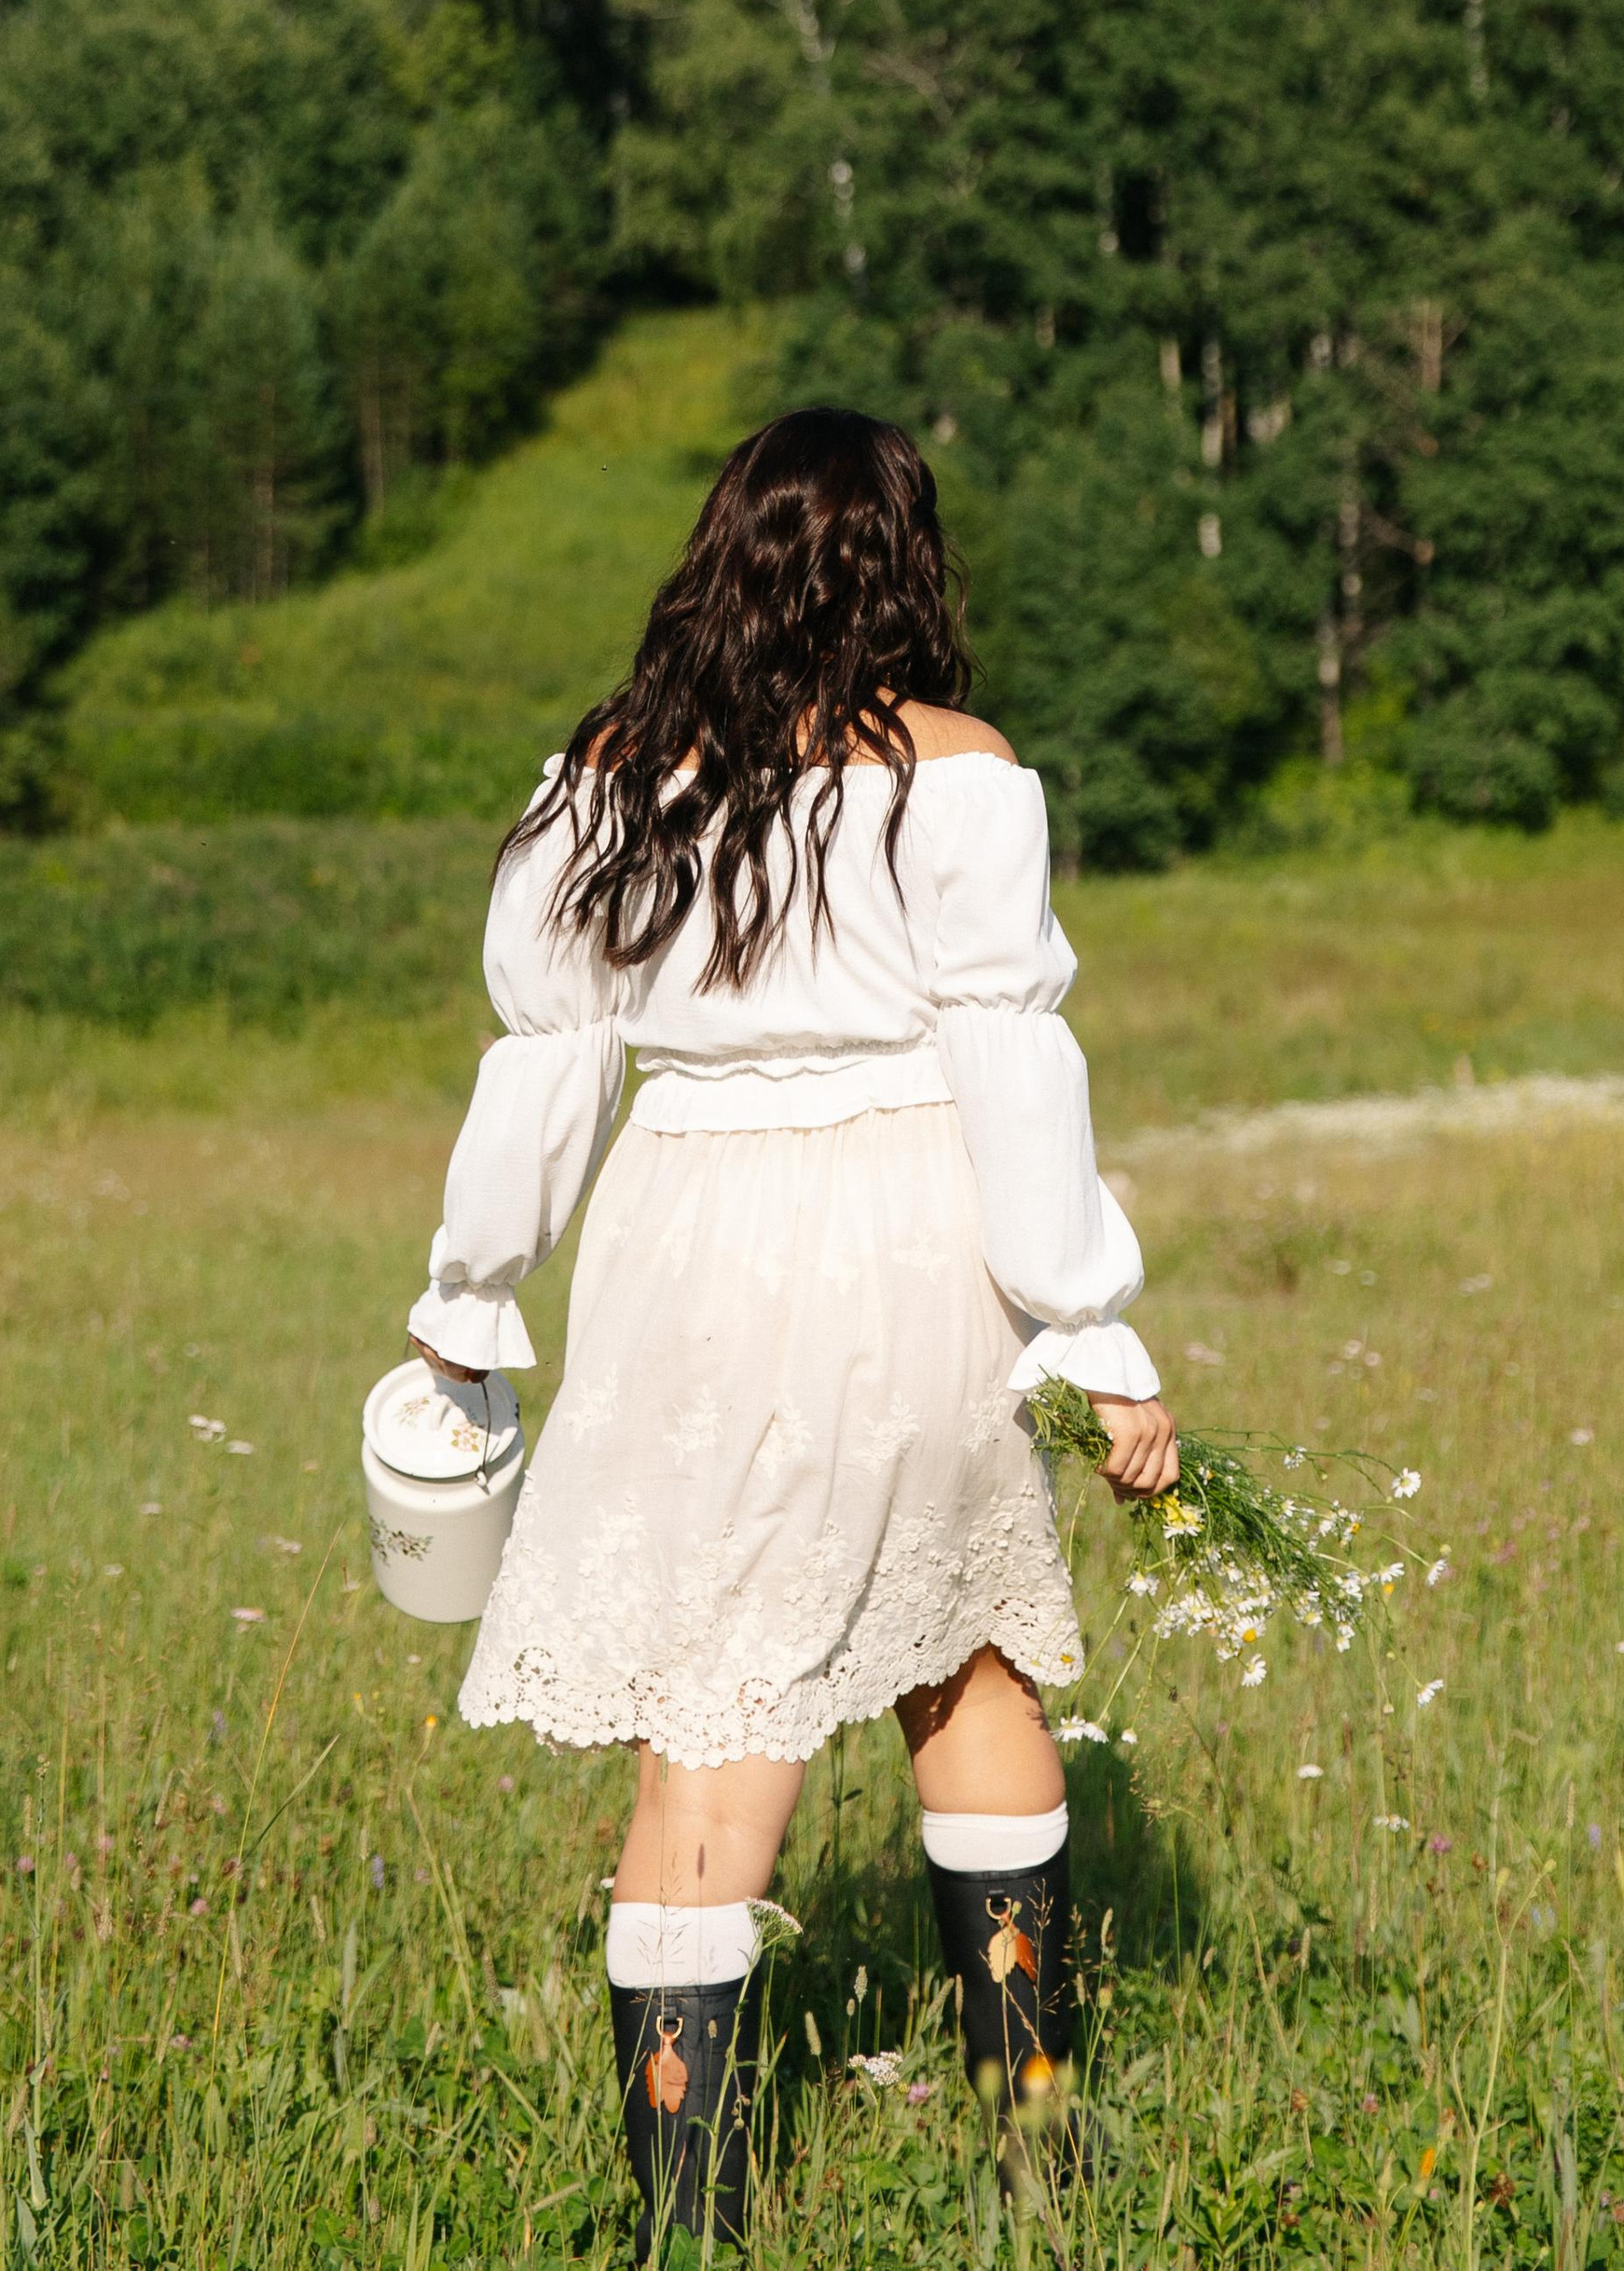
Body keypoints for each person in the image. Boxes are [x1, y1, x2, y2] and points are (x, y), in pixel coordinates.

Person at [406, 406, 1177, 2258]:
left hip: (687, 1254)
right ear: (904, 559)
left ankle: (692, 2220)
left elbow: (546, 1068)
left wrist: (467, 1301)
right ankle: (1034, 2162)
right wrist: (1094, 1329)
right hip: (908, 1242)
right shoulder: (954, 774)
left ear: (718, 550)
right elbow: (1010, 1068)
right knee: (969, 1664)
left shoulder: (602, 778)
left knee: (713, 1703)